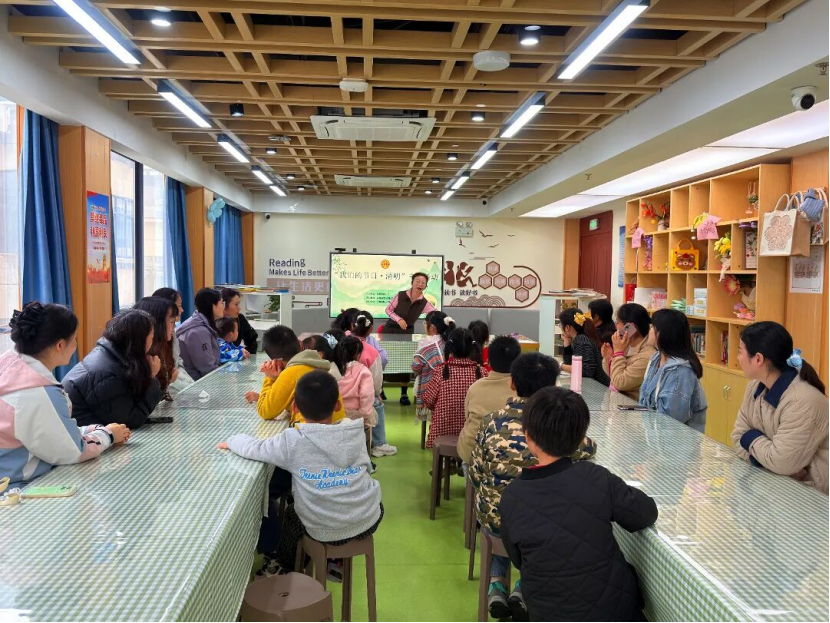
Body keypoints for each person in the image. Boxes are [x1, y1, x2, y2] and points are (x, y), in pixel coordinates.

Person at [500, 387, 658, 622]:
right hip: (614, 610)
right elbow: (645, 513)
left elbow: (518, 559)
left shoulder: (512, 496)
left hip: (547, 613)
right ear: (581, 437)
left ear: (528, 437)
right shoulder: (596, 477)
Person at [469, 354, 597, 620]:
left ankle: (496, 583)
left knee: (502, 510)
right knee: (537, 516)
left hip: (494, 523)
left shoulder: (492, 421)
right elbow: (588, 447)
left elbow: (476, 474)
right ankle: (524, 587)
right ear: (554, 385)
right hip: (542, 525)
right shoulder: (557, 423)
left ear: (512, 383)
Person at [218, 371, 383, 576]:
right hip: (368, 519)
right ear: (337, 405)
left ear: (295, 407)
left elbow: (255, 448)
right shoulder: (354, 432)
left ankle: (287, 565)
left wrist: (232, 441)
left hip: (321, 529)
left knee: (291, 515)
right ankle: (333, 559)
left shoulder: (293, 441)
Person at [0, 302, 131, 488]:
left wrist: (89, 430)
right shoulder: (38, 393)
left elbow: (46, 432)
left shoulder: (10, 369)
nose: (76, 344)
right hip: (14, 490)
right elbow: (73, 452)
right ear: (60, 345)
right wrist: (108, 435)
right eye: (74, 338)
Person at [732, 321, 829, 494]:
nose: (737, 358)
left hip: (811, 496)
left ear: (758, 359)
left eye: (740, 352)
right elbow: (738, 437)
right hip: (777, 486)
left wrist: (750, 439)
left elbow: (781, 462)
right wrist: (769, 461)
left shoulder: (802, 402)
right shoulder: (754, 387)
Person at [63, 309, 165, 429]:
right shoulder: (107, 374)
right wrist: (150, 377)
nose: (152, 342)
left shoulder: (112, 356)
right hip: (79, 436)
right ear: (140, 340)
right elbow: (129, 421)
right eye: (151, 337)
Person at [253, 325, 346, 426]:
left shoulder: (291, 373)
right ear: (301, 343)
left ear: (277, 360)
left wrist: (269, 378)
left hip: (310, 433)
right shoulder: (318, 364)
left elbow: (264, 411)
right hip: (337, 430)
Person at [639, 310, 707, 432]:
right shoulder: (656, 358)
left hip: (675, 440)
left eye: (653, 327)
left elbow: (671, 421)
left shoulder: (680, 371)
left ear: (663, 333)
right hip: (654, 435)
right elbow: (644, 400)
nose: (649, 330)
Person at [458, 336, 521, 464]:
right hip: (513, 457)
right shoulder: (523, 388)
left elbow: (467, 417)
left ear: (488, 362)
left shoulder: (475, 387)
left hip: (473, 454)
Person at [423, 328, 487, 449]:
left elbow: (428, 400)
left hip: (442, 432)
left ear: (450, 348)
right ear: (472, 348)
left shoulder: (440, 371)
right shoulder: (482, 373)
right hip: (472, 435)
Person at [350, 312, 396, 458]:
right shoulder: (371, 351)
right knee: (377, 404)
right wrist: (377, 394)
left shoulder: (342, 341)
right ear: (370, 329)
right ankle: (379, 444)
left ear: (352, 325)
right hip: (361, 397)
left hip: (340, 397)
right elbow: (376, 379)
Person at [601, 303, 657, 400]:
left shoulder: (647, 356)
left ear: (630, 327)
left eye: (618, 322)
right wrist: (609, 359)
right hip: (617, 401)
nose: (615, 327)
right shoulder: (626, 345)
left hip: (632, 405)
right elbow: (613, 376)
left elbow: (620, 382)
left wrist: (618, 353)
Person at [412, 311, 455, 424]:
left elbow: (415, 367)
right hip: (451, 392)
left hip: (430, 393)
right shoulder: (451, 343)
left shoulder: (425, 345)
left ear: (432, 328)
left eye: (425, 323)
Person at [134, 296, 179, 396]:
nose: (174, 326)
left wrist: (168, 381)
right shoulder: (137, 356)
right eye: (172, 322)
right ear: (157, 324)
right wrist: (151, 376)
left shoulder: (163, 345)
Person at [176, 288, 224, 380]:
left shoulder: (200, 322)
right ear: (213, 305)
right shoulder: (198, 332)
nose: (223, 307)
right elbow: (207, 368)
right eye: (222, 303)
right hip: (193, 382)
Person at [152, 287, 193, 393]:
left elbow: (177, 364)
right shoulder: (150, 342)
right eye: (179, 306)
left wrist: (191, 385)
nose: (182, 310)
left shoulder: (171, 333)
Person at [559, 308, 610, 387]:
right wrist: (567, 343)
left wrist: (560, 366)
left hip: (600, 388)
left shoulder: (581, 340)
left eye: (560, 325)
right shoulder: (579, 338)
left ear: (567, 327)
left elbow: (586, 371)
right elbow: (570, 363)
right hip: (595, 386)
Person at [335, 336, 376, 425]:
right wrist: (364, 414)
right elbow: (366, 395)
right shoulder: (363, 371)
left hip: (335, 414)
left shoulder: (333, 368)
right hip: (356, 417)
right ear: (358, 355)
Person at [221, 287, 259, 354]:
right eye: (236, 304)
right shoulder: (215, 322)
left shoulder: (240, 318)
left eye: (239, 304)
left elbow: (252, 340)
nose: (239, 308)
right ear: (224, 305)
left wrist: (246, 353)